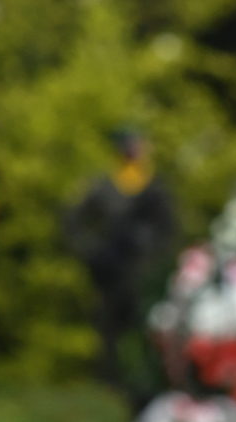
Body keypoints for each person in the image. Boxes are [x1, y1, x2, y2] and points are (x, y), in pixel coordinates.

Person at [66, 127, 176, 393]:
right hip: (112, 271)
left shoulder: (154, 187)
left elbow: (169, 229)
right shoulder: (105, 185)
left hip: (145, 272)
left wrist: (156, 257)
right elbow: (73, 219)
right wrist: (91, 251)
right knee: (110, 333)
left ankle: (147, 386)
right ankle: (110, 386)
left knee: (148, 331)